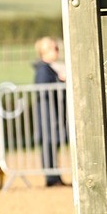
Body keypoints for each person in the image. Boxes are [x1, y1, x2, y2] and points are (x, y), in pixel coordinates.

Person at [33, 36, 67, 188]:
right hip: (47, 115)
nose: (57, 51)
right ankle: (51, 178)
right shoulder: (43, 70)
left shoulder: (48, 68)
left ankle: (55, 176)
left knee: (53, 145)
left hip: (52, 114)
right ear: (45, 52)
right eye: (55, 48)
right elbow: (44, 89)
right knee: (48, 145)